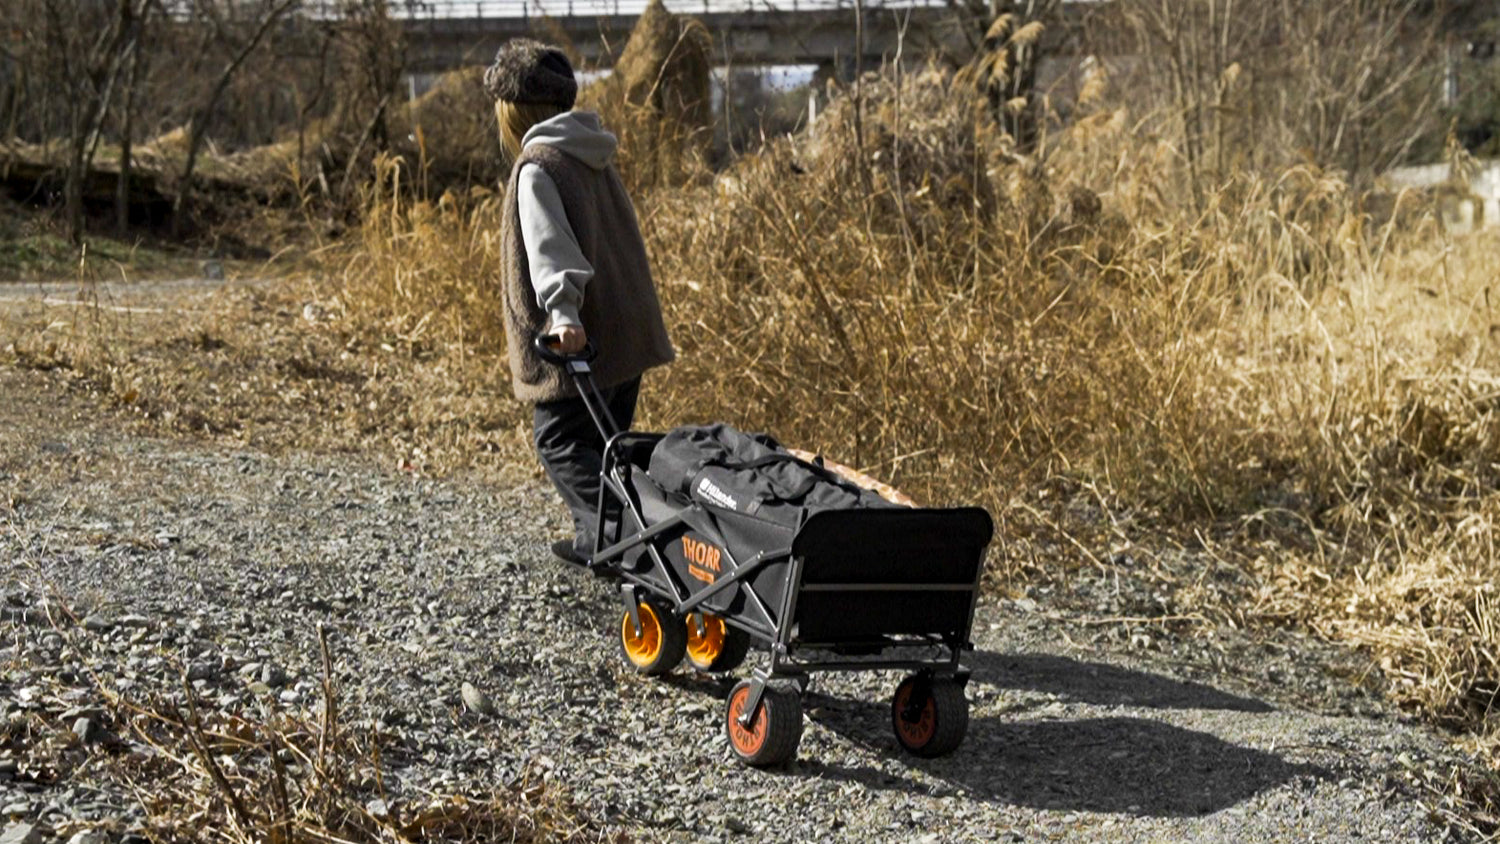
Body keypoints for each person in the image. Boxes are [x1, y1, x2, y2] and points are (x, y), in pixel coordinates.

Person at [485, 39, 675, 565]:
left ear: (512, 111)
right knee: (605, 442)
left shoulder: (538, 166)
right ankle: (603, 536)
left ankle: (619, 540)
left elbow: (552, 250)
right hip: (626, 326)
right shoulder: (587, 149)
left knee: (560, 441)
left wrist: (563, 314)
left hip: (585, 330)